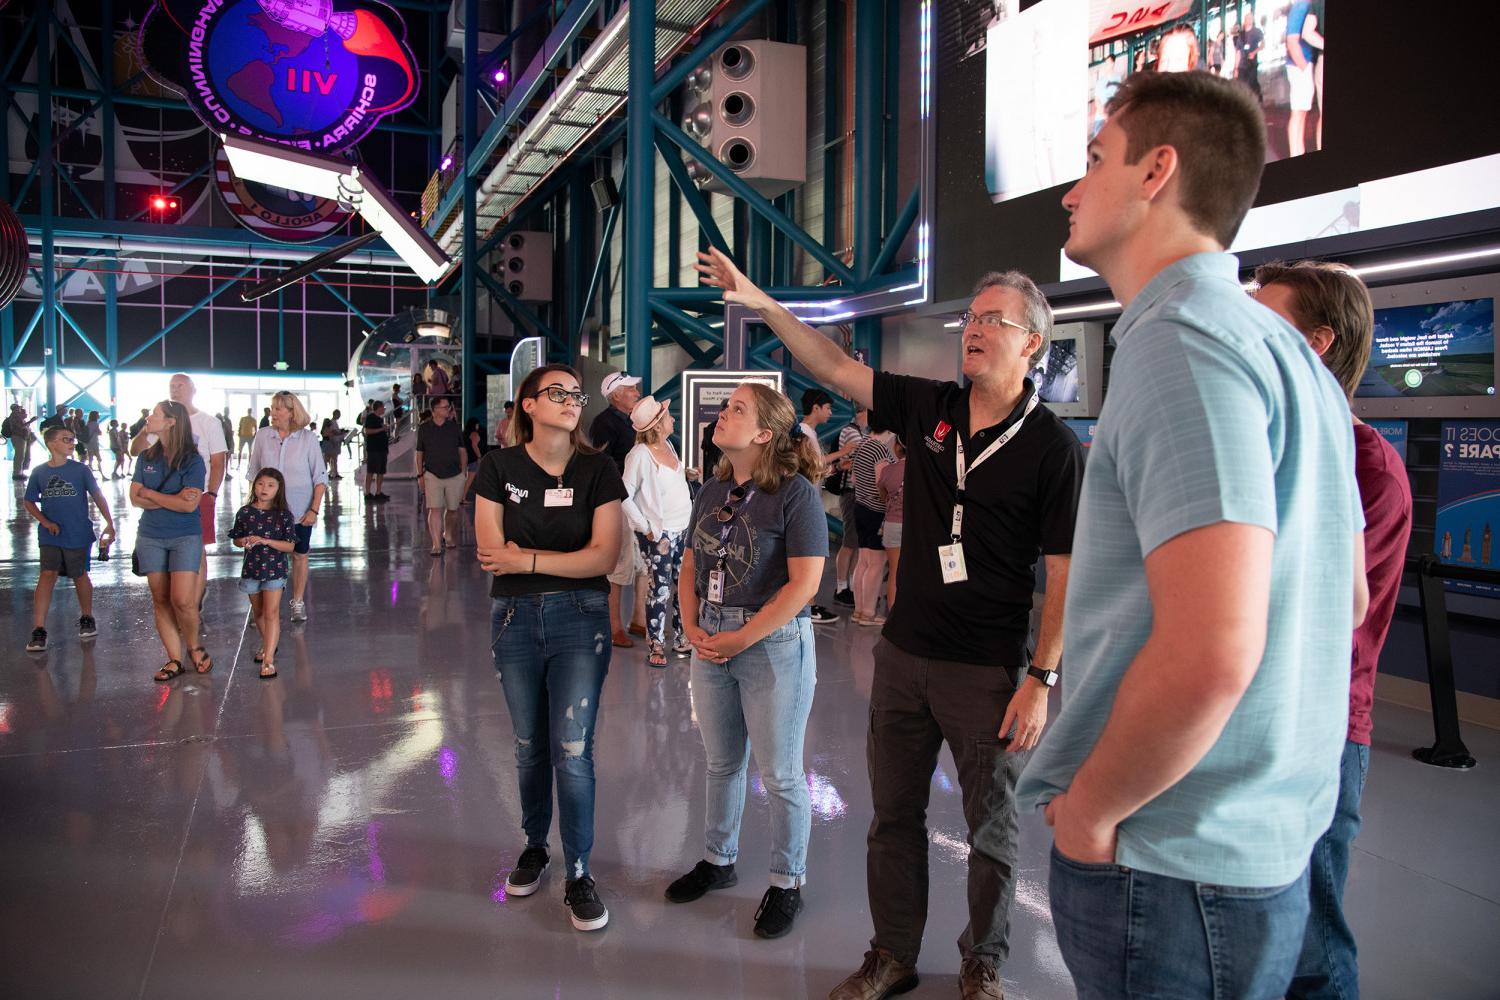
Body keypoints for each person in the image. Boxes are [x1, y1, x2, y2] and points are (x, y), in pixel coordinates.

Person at [1016, 72, 1367, 999]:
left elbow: (1213, 647)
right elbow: (1350, 594)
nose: (1071, 188)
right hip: (1252, 845)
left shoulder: (1183, 341)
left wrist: (1092, 812)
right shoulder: (1284, 353)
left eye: (1095, 160)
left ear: (1156, 171)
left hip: (1170, 860)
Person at [695, 245, 1083, 1000]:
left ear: (1031, 340)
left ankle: (983, 961)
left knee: (992, 833)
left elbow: (1064, 571)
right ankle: (893, 954)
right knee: (892, 819)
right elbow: (837, 371)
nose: (972, 330)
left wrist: (1041, 678)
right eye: (969, 318)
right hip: (904, 656)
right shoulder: (932, 406)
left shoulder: (1052, 448)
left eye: (991, 321)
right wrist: (762, 302)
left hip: (988, 668)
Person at [1253, 260, 1413, 1000]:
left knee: (1312, 944)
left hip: (1317, 730)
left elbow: (1317, 607)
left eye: (1265, 321)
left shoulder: (1367, 466)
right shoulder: (1265, 447)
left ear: (1316, 343)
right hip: (1249, 721)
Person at [666, 381, 827, 939]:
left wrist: (742, 638)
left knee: (780, 773)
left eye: (737, 409)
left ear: (764, 433)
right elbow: (689, 563)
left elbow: (805, 585)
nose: (723, 414)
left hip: (772, 645)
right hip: (710, 638)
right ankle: (719, 859)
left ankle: (787, 881)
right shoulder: (712, 490)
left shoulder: (795, 494)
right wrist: (690, 624)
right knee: (721, 763)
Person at [473, 363, 627, 933]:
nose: (568, 400)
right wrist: (545, 560)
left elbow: (604, 557)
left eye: (574, 393)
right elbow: (492, 552)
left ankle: (580, 871)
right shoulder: (499, 465)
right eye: (554, 393)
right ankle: (535, 845)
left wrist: (529, 559)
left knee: (572, 747)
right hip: (513, 618)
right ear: (527, 405)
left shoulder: (598, 468)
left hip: (582, 619)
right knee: (527, 744)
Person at [130, 374, 228, 619]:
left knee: (198, 549)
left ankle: (193, 603)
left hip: (198, 492)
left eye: (180, 385)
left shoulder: (208, 422)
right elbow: (136, 451)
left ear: (193, 389)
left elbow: (218, 461)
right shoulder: (162, 421)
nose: (175, 389)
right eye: (172, 386)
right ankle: (180, 600)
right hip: (163, 496)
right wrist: (145, 429)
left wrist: (212, 493)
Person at [130, 400, 211, 682]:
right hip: (150, 535)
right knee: (160, 598)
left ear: (171, 422)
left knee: (183, 600)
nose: (149, 418)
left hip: (185, 535)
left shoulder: (192, 461)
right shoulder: (146, 457)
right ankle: (175, 658)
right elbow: (133, 497)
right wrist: (170, 500)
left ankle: (194, 645)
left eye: (155, 414)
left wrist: (151, 495)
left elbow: (189, 506)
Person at [24, 425, 116, 652]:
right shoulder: (39, 472)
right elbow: (29, 501)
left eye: (73, 440)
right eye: (66, 439)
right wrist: (45, 522)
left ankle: (87, 616)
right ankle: (39, 629)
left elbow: (97, 495)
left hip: (77, 532)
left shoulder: (80, 471)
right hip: (50, 535)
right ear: (52, 443)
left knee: (79, 574)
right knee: (47, 575)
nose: (71, 443)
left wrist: (109, 523)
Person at [622, 396, 696, 667]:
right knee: (660, 588)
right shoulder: (640, 455)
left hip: (683, 528)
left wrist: (684, 474)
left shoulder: (668, 445)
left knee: (685, 585)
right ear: (657, 425)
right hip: (660, 534)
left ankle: (681, 638)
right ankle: (656, 645)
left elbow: (665, 480)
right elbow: (624, 495)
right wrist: (646, 530)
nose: (673, 418)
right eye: (668, 415)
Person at [248, 391, 328, 625]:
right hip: (267, 510)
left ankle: (297, 602)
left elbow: (320, 477)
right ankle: (263, 607)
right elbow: (254, 473)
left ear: (292, 412)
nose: (272, 413)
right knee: (264, 555)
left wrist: (313, 510)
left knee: (299, 555)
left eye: (278, 409)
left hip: (300, 509)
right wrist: (252, 509)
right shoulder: (263, 436)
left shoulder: (308, 439)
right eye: (272, 408)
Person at [590, 369, 651, 647]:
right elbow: (601, 464)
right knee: (619, 565)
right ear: (616, 395)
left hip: (636, 501)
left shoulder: (630, 422)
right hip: (620, 502)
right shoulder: (605, 424)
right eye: (631, 390)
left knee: (642, 565)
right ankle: (614, 626)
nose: (636, 393)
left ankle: (638, 619)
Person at [229, 467, 299, 680]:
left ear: (279, 489)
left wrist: (266, 541)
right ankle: (268, 643)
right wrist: (245, 541)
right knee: (258, 613)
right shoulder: (245, 512)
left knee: (271, 613)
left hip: (275, 570)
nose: (264, 489)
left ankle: (268, 659)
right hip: (251, 570)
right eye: (260, 484)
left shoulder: (284, 516)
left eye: (270, 485)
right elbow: (236, 539)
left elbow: (290, 546)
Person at [795, 389, 840, 626]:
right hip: (806, 504)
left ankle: (808, 604)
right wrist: (843, 453)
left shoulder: (807, 432)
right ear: (816, 408)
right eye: (828, 408)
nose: (830, 413)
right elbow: (813, 465)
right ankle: (807, 605)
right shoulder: (804, 433)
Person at [849, 429, 897, 626]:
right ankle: (869, 613)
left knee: (864, 561)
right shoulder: (879, 449)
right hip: (876, 510)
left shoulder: (863, 444)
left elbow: (853, 479)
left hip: (860, 506)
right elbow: (881, 482)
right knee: (876, 564)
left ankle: (859, 610)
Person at [415, 396, 471, 556]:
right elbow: (419, 453)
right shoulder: (424, 429)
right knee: (435, 508)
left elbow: (462, 450)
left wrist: (463, 470)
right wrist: (420, 474)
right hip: (432, 474)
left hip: (454, 474)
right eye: (445, 407)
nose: (449, 410)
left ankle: (448, 534)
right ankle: (436, 544)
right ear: (435, 410)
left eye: (448, 407)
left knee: (453, 509)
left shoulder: (454, 427)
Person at [830, 404, 871, 607]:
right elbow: (860, 460)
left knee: (856, 544)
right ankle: (841, 587)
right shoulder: (851, 431)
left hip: (859, 493)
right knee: (850, 542)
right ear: (860, 413)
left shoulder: (862, 433)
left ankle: (851, 587)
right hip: (852, 493)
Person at [876, 438, 906, 617]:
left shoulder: (889, 470)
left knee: (894, 571)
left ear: (897, 447)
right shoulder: (925, 471)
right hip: (916, 527)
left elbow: (883, 496)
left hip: (893, 524)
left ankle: (893, 617)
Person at [1285, 0, 1318, 156]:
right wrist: (1304, 67)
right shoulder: (1301, 6)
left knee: (1302, 112)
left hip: (1301, 64)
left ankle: (1299, 151)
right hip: (1299, 66)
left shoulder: (1304, 6)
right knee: (1298, 113)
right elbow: (1292, 41)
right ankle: (1295, 153)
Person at [363, 400, 390, 501]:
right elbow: (367, 431)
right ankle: (367, 492)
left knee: (380, 471)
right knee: (371, 471)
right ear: (378, 408)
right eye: (383, 407)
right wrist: (381, 429)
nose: (384, 409)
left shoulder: (379, 419)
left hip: (381, 449)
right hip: (374, 449)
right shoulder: (371, 417)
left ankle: (378, 492)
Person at [5, 403, 36, 480]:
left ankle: (19, 472)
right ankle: (17, 473)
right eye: (18, 408)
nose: (19, 409)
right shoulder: (14, 416)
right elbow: (20, 427)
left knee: (21, 456)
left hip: (21, 437)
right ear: (15, 409)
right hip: (18, 437)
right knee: (19, 455)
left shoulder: (17, 416)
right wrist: (31, 421)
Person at [1237, 12, 1264, 99]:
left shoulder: (1257, 32)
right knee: (1241, 85)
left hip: (1252, 63)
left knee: (1252, 83)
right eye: (1247, 18)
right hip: (1242, 64)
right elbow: (1238, 51)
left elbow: (1263, 45)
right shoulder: (1241, 35)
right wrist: (1236, 67)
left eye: (1250, 18)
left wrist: (1254, 52)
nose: (1248, 20)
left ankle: (1256, 99)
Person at [320, 408, 344, 480]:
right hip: (328, 444)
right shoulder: (328, 429)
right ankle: (327, 473)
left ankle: (330, 473)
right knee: (328, 459)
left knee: (329, 460)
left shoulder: (325, 429)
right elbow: (331, 435)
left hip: (327, 444)